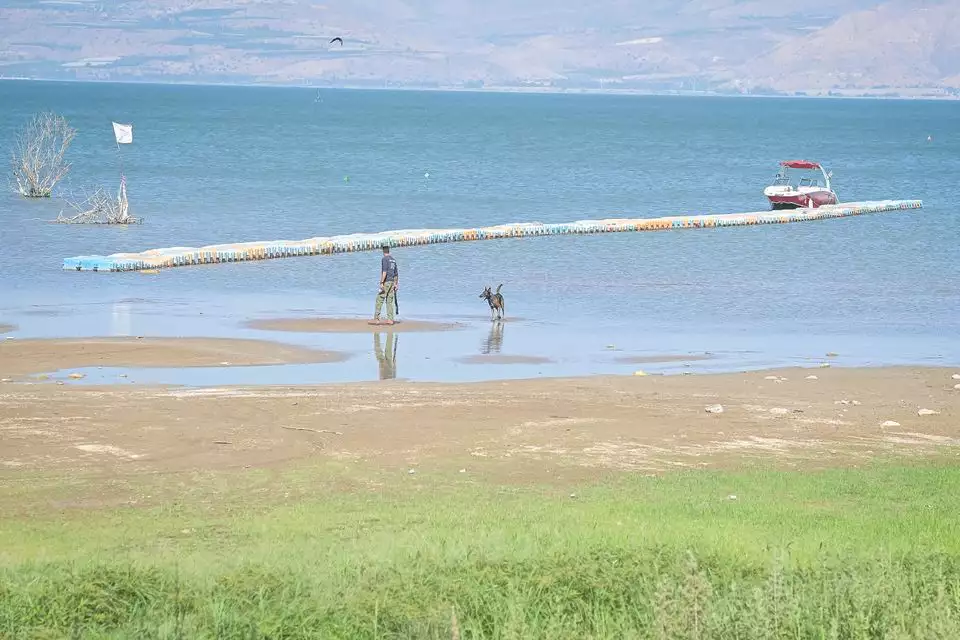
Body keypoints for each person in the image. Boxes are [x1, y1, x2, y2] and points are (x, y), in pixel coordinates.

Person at [370, 245, 398, 325]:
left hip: (386, 282)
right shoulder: (393, 260)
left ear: (383, 251)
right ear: (389, 251)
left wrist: (381, 282)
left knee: (379, 299)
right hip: (392, 282)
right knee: (389, 301)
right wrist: (396, 284)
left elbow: (384, 272)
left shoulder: (384, 259)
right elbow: (396, 274)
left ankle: (377, 319)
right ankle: (390, 319)